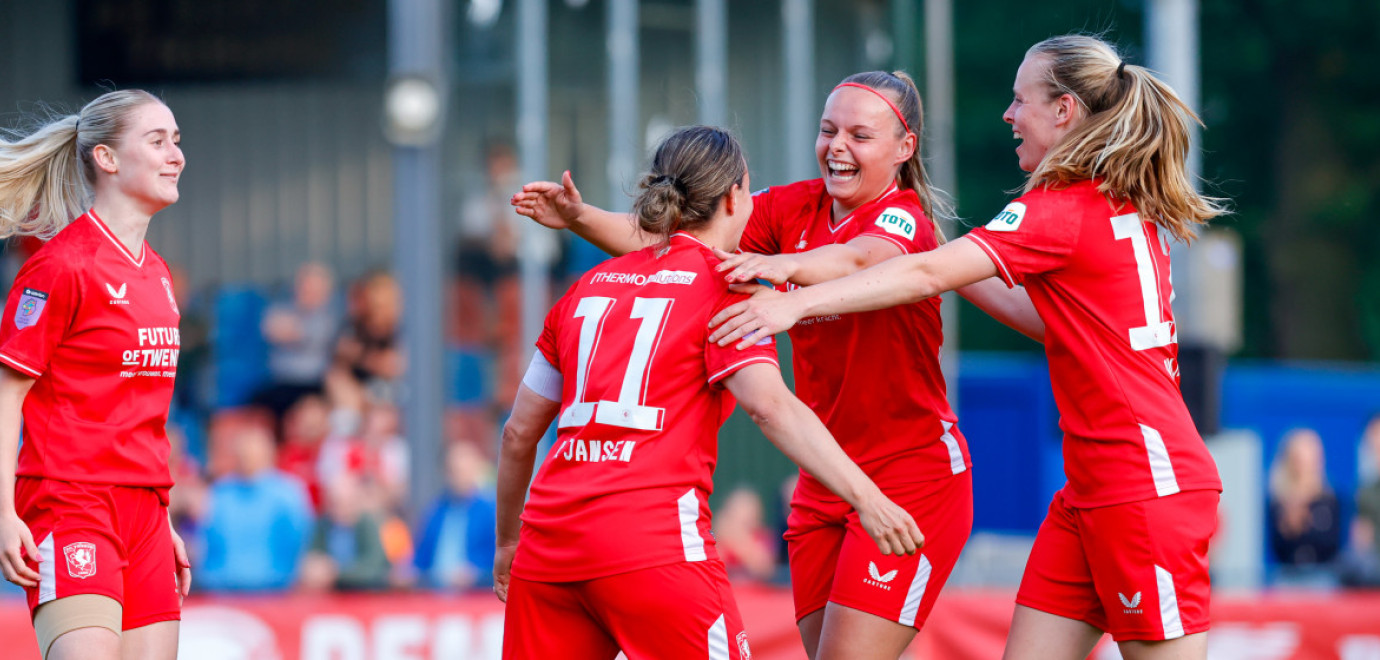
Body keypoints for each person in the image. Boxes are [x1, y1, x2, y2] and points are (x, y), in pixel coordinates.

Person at [707, 34, 1226, 659]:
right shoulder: (1109, 203)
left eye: (1020, 100)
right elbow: (1039, 315)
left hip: (1143, 484)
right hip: (1090, 487)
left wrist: (794, 298)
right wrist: (927, 253)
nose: (1008, 115)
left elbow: (926, 276)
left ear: (1063, 111)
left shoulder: (1058, 210)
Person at [512, 71, 1043, 659]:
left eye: (859, 136)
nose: (837, 146)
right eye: (828, 130)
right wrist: (580, 216)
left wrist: (784, 272)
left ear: (904, 148)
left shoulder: (903, 218)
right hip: (823, 480)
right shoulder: (792, 206)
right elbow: (681, 239)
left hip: (909, 474)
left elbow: (856, 261)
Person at [494, 125, 924, 660]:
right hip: (652, 547)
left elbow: (517, 434)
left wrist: (508, 543)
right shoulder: (729, 286)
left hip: (546, 548)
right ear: (733, 197)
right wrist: (870, 500)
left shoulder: (585, 288)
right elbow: (770, 407)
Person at [0, 90, 194, 659]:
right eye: (157, 141)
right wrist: (3, 511)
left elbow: (137, 414)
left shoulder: (157, 275)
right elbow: (7, 396)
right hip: (72, 504)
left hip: (147, 519)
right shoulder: (60, 266)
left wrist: (162, 519)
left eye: (177, 141)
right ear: (107, 159)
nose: (176, 155)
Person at [1266, 428, 1341, 585]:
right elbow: (1276, 547)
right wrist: (1288, 526)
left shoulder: (1328, 499)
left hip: (1321, 574)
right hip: (1287, 574)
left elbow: (1332, 544)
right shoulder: (1278, 501)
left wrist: (1305, 524)